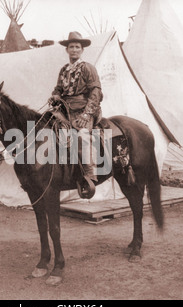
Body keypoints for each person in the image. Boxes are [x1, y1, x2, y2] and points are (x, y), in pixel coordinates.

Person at [49, 31, 103, 197]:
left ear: (82, 50)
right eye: (71, 47)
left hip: (84, 109)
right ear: (67, 50)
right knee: (47, 129)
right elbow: (58, 88)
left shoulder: (88, 68)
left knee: (81, 137)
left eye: (77, 47)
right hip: (64, 109)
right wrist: (55, 95)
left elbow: (96, 93)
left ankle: (89, 175)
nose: (74, 50)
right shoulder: (64, 70)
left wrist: (86, 115)